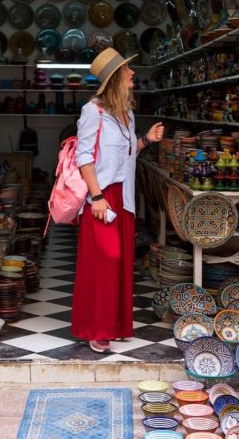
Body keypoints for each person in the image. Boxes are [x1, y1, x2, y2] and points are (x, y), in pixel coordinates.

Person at [71, 48, 164, 354]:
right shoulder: (92, 112)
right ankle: (95, 328)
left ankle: (116, 327)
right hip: (102, 196)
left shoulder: (127, 114)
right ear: (114, 79)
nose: (132, 73)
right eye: (127, 70)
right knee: (104, 261)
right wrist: (96, 197)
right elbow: (84, 159)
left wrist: (146, 139)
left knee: (121, 262)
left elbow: (125, 153)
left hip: (123, 198)